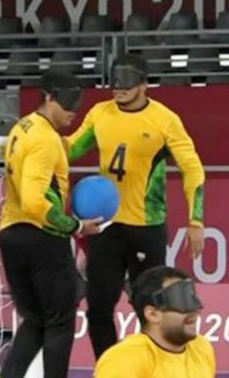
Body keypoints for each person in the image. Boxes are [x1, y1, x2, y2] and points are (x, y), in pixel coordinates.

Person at [66, 53, 206, 359]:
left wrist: (196, 221)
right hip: (105, 227)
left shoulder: (164, 120)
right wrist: (37, 145)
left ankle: (151, 370)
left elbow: (192, 169)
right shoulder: (100, 113)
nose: (118, 88)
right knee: (99, 306)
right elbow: (71, 147)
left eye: (127, 81)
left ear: (144, 83)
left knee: (151, 309)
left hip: (147, 228)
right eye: (114, 80)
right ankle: (108, 368)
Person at [0, 69, 103, 378]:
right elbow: (36, 201)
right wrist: (76, 227)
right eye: (66, 105)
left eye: (76, 107)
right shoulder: (46, 140)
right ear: (48, 97)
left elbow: (58, 155)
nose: (71, 112)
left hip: (11, 235)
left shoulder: (23, 127)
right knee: (60, 320)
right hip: (43, 238)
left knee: (36, 318)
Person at [93, 266, 215, 378]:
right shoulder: (124, 359)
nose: (194, 310)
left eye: (192, 297)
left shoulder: (201, 348)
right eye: (181, 300)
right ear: (152, 314)